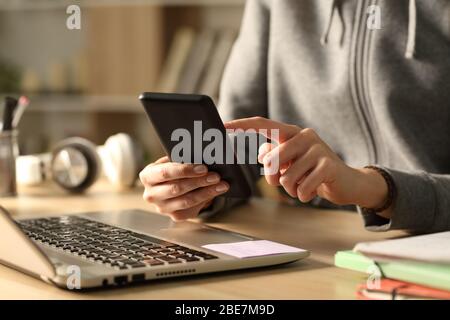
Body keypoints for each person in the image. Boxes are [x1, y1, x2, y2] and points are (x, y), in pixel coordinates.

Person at [139, 0, 450, 233]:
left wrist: (374, 188)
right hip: (309, 240)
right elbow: (238, 142)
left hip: (426, 248)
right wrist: (202, 189)